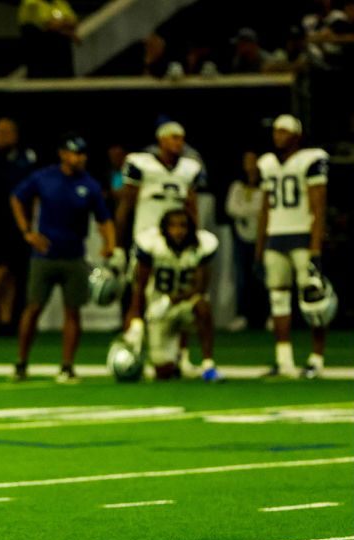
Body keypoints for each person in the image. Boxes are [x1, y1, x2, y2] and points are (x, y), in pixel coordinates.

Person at [10, 134, 116, 383]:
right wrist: (27, 231)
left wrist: (109, 244)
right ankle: (21, 362)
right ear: (63, 154)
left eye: (82, 153)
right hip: (44, 254)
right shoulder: (44, 177)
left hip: (73, 256)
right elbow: (17, 197)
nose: (80, 158)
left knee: (73, 311)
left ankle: (67, 365)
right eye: (75, 153)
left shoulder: (89, 185)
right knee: (33, 308)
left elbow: (104, 219)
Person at [256, 114, 331, 378]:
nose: (278, 135)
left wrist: (315, 246)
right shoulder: (267, 163)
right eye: (276, 131)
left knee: (315, 301)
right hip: (276, 237)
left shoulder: (310, 160)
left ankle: (316, 359)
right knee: (278, 299)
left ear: (296, 135)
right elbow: (264, 208)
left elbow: (318, 206)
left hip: (301, 235)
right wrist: (260, 246)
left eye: (283, 131)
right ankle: (284, 359)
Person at [121, 208, 221, 381]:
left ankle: (208, 366)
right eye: (173, 226)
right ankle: (174, 362)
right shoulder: (152, 245)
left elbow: (200, 287)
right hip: (158, 309)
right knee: (163, 372)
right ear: (163, 229)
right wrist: (135, 317)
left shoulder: (200, 245)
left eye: (183, 226)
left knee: (202, 306)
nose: (178, 231)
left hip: (185, 303)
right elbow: (140, 285)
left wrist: (171, 300)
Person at [0, 118, 37, 336]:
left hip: (19, 222)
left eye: (6, 131)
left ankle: (6, 320)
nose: (1, 135)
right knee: (0, 267)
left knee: (13, 273)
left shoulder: (26, 157)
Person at [225, 151, 265, 329]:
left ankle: (268, 316)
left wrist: (251, 211)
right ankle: (242, 315)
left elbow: (265, 210)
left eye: (253, 160)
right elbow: (231, 208)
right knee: (242, 278)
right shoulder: (237, 186)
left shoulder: (265, 185)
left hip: (262, 237)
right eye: (247, 161)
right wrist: (253, 211)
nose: (250, 164)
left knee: (265, 277)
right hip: (242, 236)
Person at [18, 0, 78, 78]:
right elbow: (50, 25)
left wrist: (60, 26)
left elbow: (73, 22)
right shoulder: (31, 3)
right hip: (41, 59)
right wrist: (68, 31)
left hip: (60, 62)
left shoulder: (59, 2)